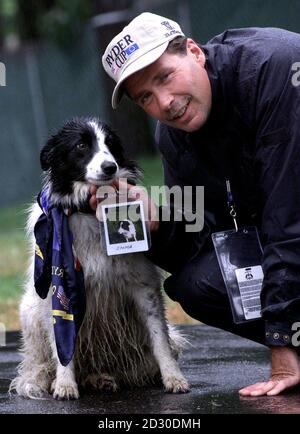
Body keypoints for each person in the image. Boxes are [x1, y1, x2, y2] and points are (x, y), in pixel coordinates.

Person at [90, 12, 300, 396]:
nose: (165, 103)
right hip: (282, 237)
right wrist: (157, 223)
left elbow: (289, 219)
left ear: (193, 51)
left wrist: (282, 345)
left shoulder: (276, 67)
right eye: (145, 98)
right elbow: (203, 239)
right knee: (195, 285)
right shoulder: (174, 136)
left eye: (165, 77)